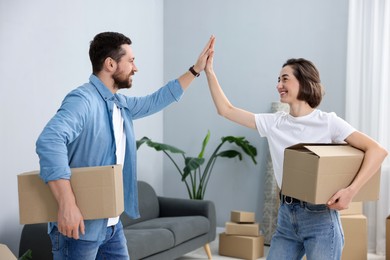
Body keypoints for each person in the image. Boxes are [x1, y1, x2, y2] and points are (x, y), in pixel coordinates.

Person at [204, 36, 388, 260]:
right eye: (278, 79)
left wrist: (350, 192)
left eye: (284, 79)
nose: (278, 85)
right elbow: (227, 110)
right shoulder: (275, 123)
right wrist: (209, 71)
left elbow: (377, 151)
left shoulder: (328, 122)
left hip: (321, 219)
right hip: (286, 217)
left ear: (304, 81)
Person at [36, 32, 214, 259]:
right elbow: (49, 141)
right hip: (80, 228)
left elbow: (156, 100)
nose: (135, 68)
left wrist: (195, 70)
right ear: (110, 64)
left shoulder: (120, 104)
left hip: (111, 225)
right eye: (130, 61)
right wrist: (67, 205)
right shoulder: (83, 100)